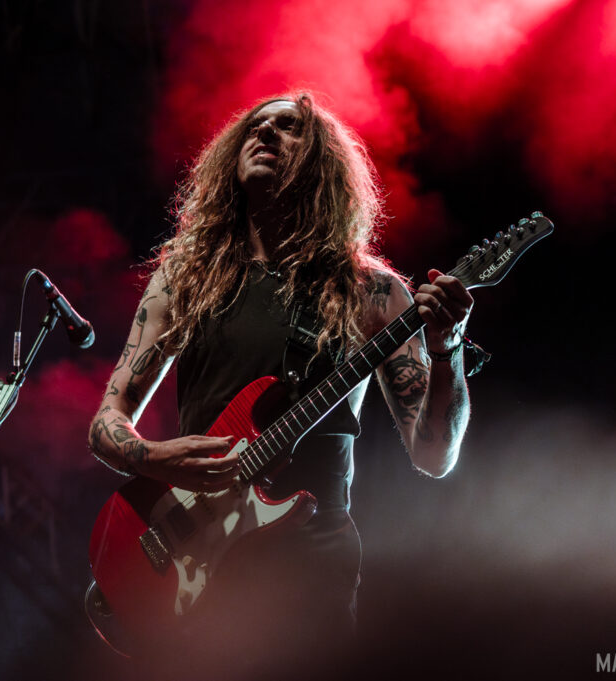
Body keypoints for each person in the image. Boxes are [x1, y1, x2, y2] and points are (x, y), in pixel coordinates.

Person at [87, 92, 473, 677]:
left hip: (308, 573)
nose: (265, 133)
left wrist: (448, 349)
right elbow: (106, 422)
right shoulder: (186, 277)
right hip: (195, 566)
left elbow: (434, 456)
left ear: (320, 163)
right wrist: (159, 459)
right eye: (254, 127)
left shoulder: (372, 292)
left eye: (288, 127)